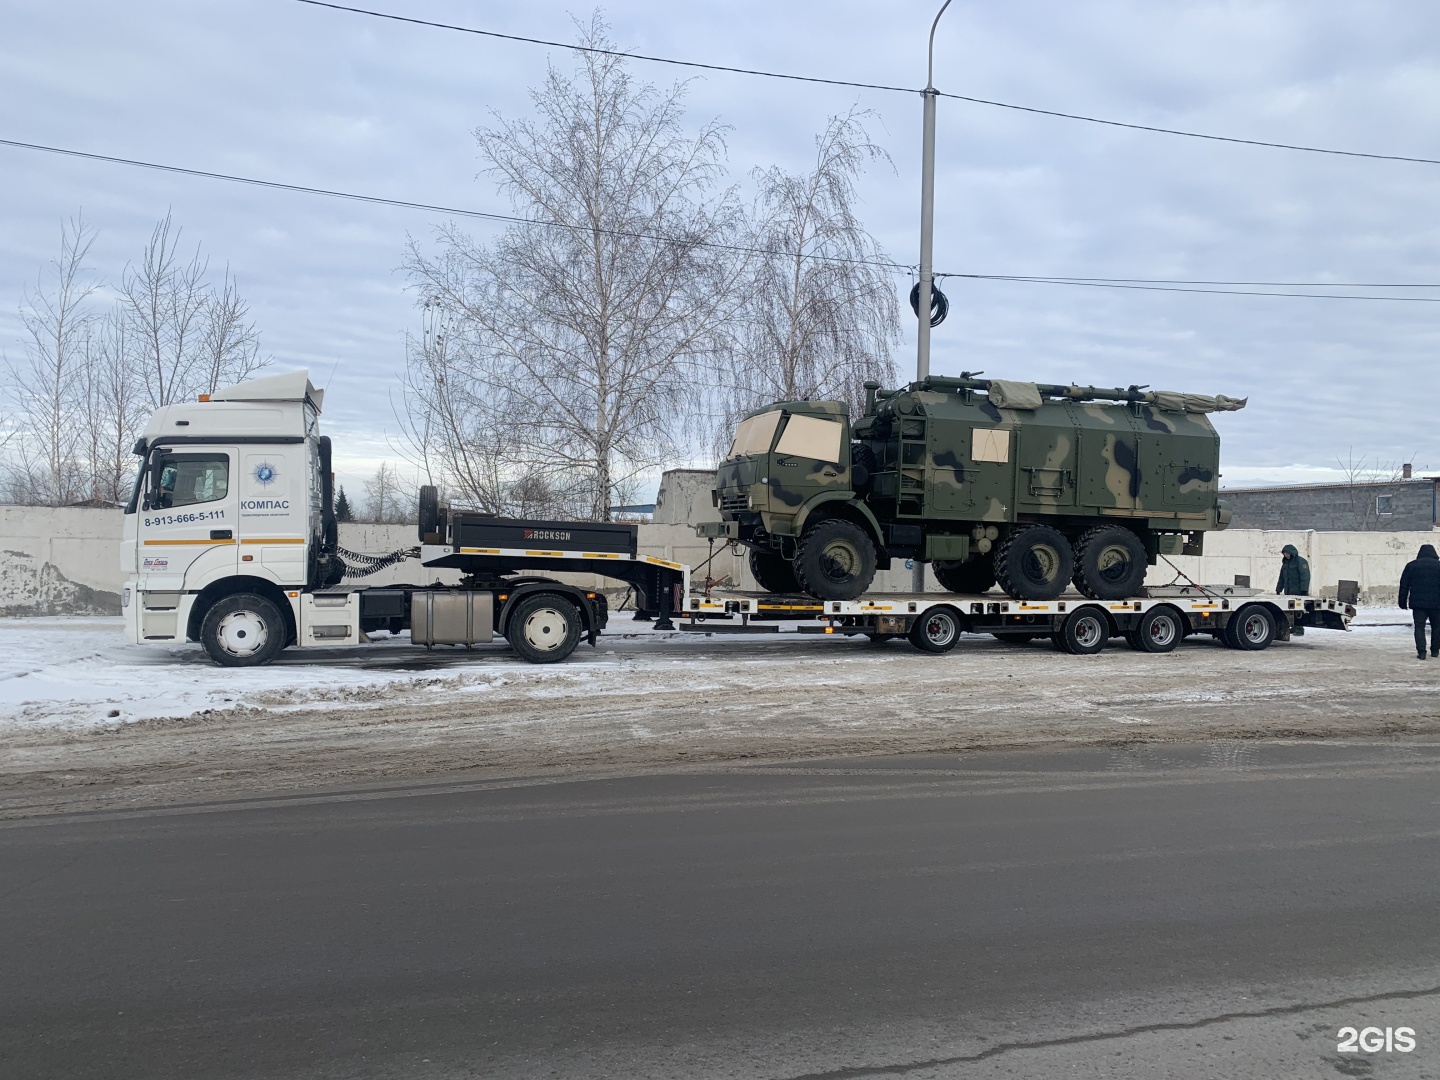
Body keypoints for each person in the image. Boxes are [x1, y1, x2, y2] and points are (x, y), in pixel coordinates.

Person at [1398, 543, 1440, 660]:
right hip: (1437, 604)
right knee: (1437, 627)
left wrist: (1402, 602)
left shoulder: (1411, 566)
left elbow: (1404, 585)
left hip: (1418, 604)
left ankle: (1421, 652)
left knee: (1419, 627)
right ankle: (1435, 650)